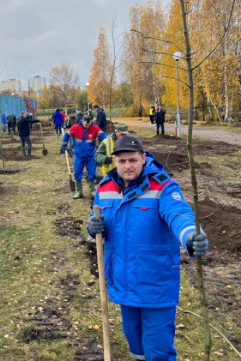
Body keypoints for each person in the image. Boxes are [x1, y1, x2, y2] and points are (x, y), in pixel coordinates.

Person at [87, 136, 209, 360]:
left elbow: (178, 215)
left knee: (157, 348)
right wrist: (93, 226)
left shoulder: (163, 186)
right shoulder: (105, 187)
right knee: (135, 345)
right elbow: (99, 220)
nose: (127, 166)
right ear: (114, 161)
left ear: (143, 158)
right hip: (123, 281)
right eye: (122, 161)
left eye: (133, 160)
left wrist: (192, 235)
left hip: (155, 284)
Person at [61, 115, 106, 199]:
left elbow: (103, 136)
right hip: (79, 155)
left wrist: (108, 141)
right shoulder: (75, 127)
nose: (87, 127)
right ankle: (79, 192)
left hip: (91, 155)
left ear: (90, 122)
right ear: (83, 121)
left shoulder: (95, 128)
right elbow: (67, 134)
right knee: (77, 173)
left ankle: (92, 191)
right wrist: (63, 145)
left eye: (88, 125)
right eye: (85, 125)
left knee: (92, 173)